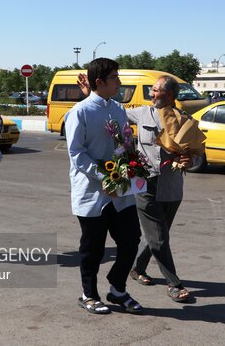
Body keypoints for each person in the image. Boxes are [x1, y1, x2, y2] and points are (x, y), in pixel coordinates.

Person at [77, 73, 194, 303]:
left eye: (155, 90)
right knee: (159, 237)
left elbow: (192, 151)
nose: (150, 93)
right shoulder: (142, 113)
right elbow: (109, 111)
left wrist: (189, 159)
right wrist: (89, 94)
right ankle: (174, 283)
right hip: (146, 183)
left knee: (158, 236)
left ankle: (138, 268)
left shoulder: (184, 120)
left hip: (172, 187)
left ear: (169, 94)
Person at [65, 58, 143, 315]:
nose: (119, 82)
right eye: (114, 78)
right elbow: (77, 153)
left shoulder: (118, 110)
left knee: (131, 239)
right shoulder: (81, 112)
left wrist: (131, 163)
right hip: (93, 192)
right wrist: (105, 176)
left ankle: (117, 289)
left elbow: (123, 143)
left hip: (120, 191)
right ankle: (89, 294)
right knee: (93, 248)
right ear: (99, 82)